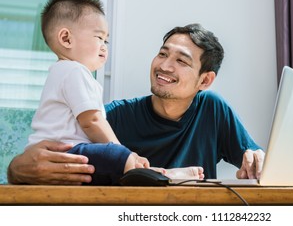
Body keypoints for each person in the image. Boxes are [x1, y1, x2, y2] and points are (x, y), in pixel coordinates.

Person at [7, 22, 265, 185]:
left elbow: (254, 160)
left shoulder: (212, 109)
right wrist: (17, 169)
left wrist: (259, 162)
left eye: (182, 61)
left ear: (205, 80)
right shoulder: (114, 116)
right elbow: (53, 149)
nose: (164, 65)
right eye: (162, 54)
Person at [22, 0, 203, 185]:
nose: (104, 46)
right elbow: (91, 120)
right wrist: (123, 152)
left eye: (106, 40)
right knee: (112, 155)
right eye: (99, 38)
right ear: (66, 38)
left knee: (113, 168)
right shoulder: (73, 71)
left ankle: (157, 173)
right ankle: (161, 175)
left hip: (65, 154)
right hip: (65, 152)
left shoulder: (63, 72)